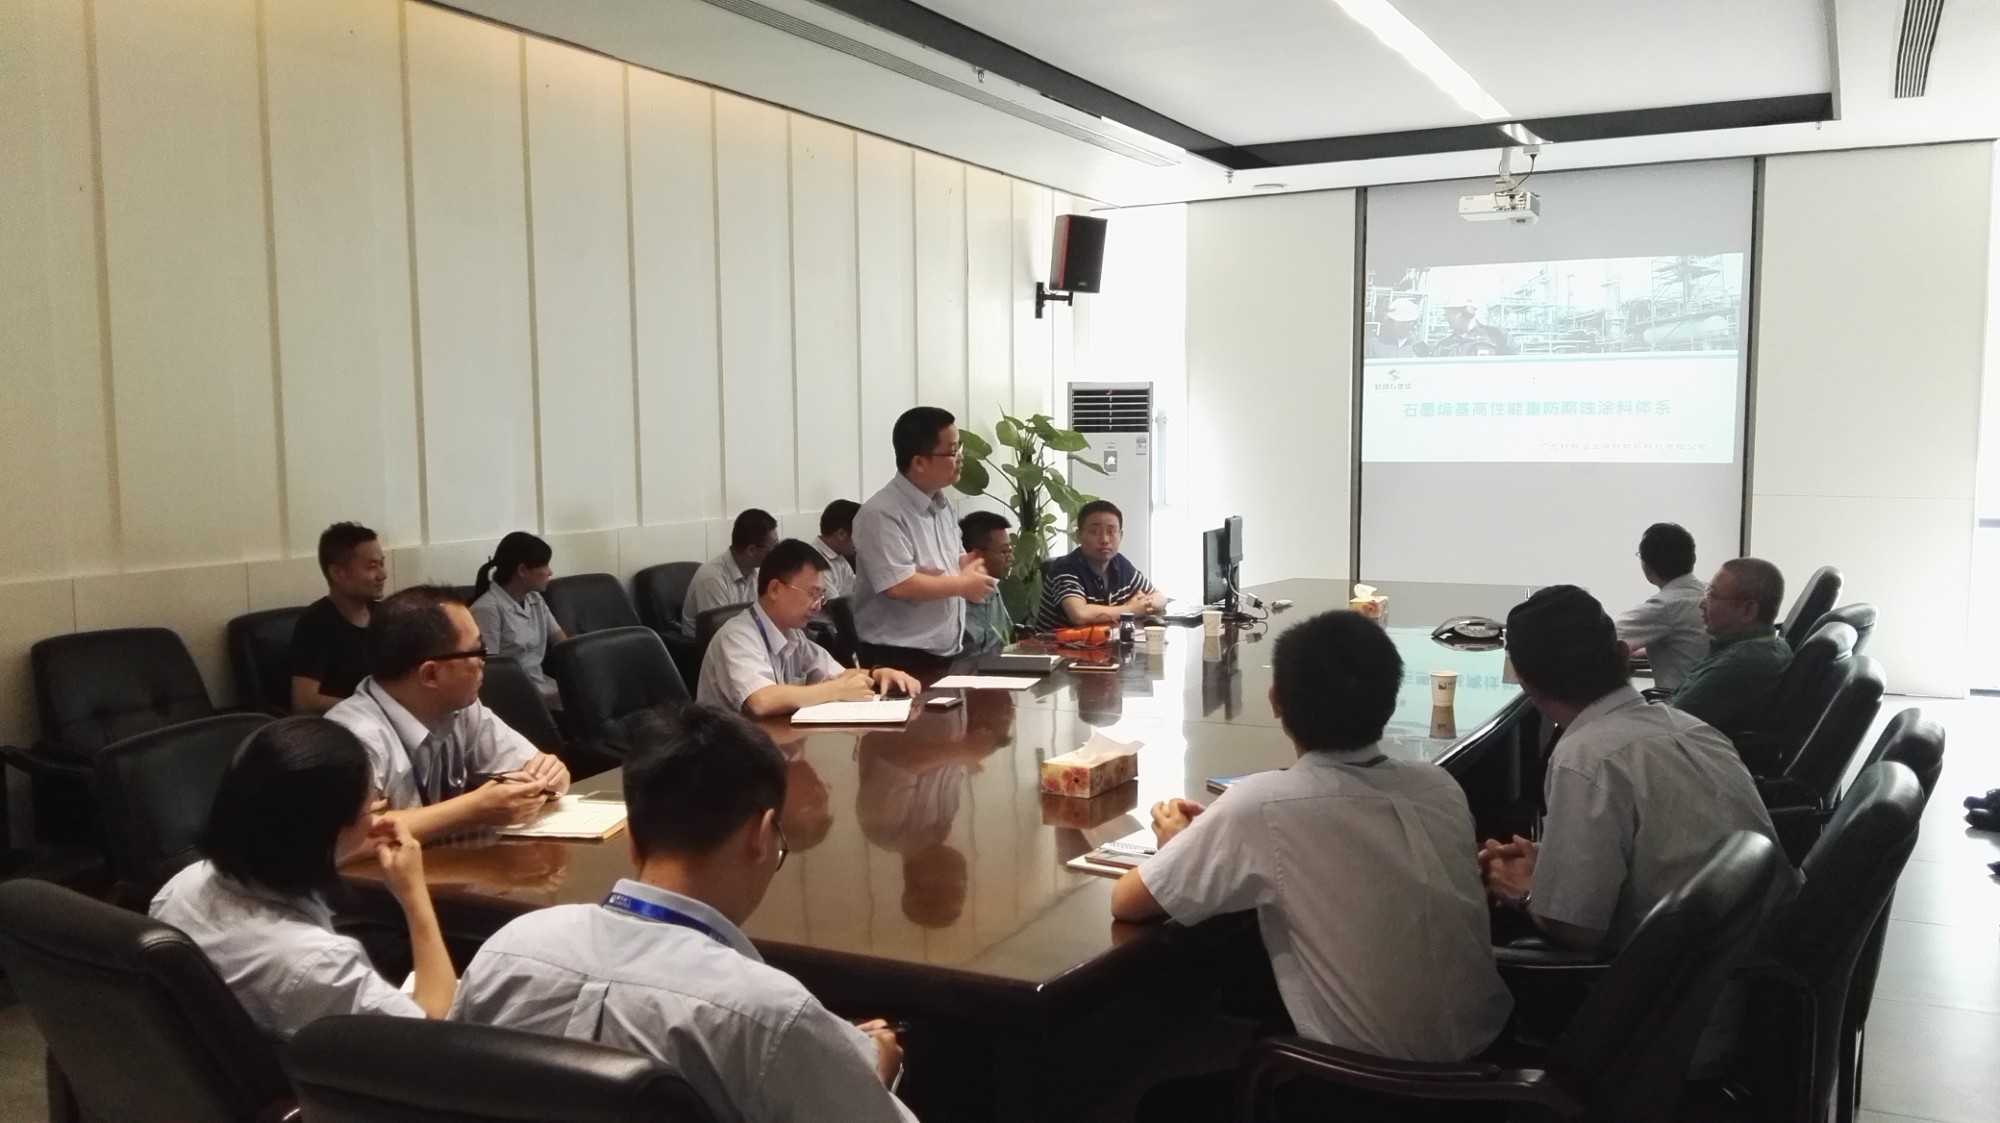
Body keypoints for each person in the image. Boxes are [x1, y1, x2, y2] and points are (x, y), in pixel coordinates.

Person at [1114, 611, 1511, 1121]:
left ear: (1275, 700)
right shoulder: (1440, 786)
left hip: (1375, 1095)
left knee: (1160, 1106)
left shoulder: (1263, 805)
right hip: (1492, 1070)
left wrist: (1178, 845)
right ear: (1392, 703)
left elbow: (1128, 901)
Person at [450, 705, 917, 1123]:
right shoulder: (770, 1016)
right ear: (760, 835)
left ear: (632, 837)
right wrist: (872, 1071)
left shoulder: (506, 951)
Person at [1480, 585, 1788, 955]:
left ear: (1527, 684)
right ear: (1624, 654)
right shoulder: (1693, 729)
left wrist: (1522, 891)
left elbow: (1576, 929)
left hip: (1686, 976)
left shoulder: (1584, 760)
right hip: (1772, 948)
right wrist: (1552, 856)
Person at [150, 716, 455, 1039]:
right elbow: (428, 1028)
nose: (375, 817)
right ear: (327, 830)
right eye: (369, 810)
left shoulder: (178, 888)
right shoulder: (319, 964)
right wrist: (414, 894)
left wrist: (342, 843)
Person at [327, 585, 569, 842]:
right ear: (430, 674)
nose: (483, 661)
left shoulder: (461, 708)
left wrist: (550, 777)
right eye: (476, 650)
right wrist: (472, 809)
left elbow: (546, 776)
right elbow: (350, 839)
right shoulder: (351, 740)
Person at [695, 538, 920, 717]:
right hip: (725, 754)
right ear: (775, 589)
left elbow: (836, 674)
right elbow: (761, 701)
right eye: (812, 594)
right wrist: (835, 691)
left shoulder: (793, 634)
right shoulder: (737, 637)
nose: (818, 605)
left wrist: (877, 674)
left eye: (821, 595)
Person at [851, 407, 998, 676]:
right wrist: (962, 584)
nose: (960, 458)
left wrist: (969, 566)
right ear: (919, 462)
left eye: (959, 448)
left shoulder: (942, 503)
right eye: (952, 451)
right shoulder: (881, 513)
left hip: (946, 650)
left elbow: (955, 558)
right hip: (898, 656)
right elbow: (899, 585)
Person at [1670, 558, 1793, 741]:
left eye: (1712, 596)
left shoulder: (1741, 665)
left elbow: (1669, 727)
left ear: (1748, 610)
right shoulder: (1772, 646)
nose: (1702, 604)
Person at [291, 522, 387, 713]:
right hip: (345, 723)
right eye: (371, 566)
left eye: (382, 564)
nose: (382, 574)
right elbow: (304, 701)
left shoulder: (385, 615)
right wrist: (370, 707)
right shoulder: (316, 623)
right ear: (337, 573)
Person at [468, 531, 569, 709]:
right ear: (522, 570)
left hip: (544, 687)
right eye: (544, 565)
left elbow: (564, 645)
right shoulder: (487, 609)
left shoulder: (536, 600)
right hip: (513, 699)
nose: (550, 572)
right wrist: (540, 700)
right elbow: (491, 672)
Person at [1034, 500, 1167, 630]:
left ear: (1121, 536)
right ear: (1079, 535)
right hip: (1054, 644)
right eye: (1095, 532)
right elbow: (1080, 615)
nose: (1104, 540)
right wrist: (1131, 609)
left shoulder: (1120, 564)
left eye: (1111, 532)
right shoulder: (1065, 568)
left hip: (1102, 642)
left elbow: (1159, 596)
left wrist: (1145, 605)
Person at [1614, 522, 1710, 692]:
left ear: (1647, 566)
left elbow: (1601, 636)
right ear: (1693, 558)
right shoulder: (1711, 592)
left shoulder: (1665, 606)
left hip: (1679, 702)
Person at [683, 509, 779, 636]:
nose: (777, 552)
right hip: (711, 644)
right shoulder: (712, 578)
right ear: (751, 550)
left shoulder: (754, 572)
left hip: (744, 638)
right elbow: (719, 633)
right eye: (774, 546)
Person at [958, 510, 1016, 654]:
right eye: (1004, 551)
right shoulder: (953, 599)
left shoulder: (992, 589)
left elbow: (1008, 639)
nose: (1011, 558)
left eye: (1010, 550)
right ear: (977, 555)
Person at [1430, 297, 1516, 357]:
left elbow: (1515, 366)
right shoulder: (1442, 346)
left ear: (1468, 313)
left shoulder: (1498, 336)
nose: (1447, 318)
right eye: (1446, 315)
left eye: (1452, 314)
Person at [814, 499, 862, 603]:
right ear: (841, 534)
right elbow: (836, 606)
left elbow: (855, 584)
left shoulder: (839, 556)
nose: (861, 543)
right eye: (859, 536)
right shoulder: (815, 562)